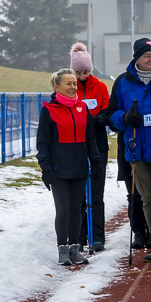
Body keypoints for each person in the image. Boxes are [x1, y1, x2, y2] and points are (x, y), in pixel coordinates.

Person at [109, 37, 151, 266]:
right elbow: (111, 115)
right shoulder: (123, 81)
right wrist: (125, 117)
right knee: (146, 198)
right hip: (136, 149)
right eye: (147, 56)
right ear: (136, 58)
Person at [37, 69, 101, 266]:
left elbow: (91, 139)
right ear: (56, 86)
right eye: (68, 84)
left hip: (79, 168)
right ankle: (62, 249)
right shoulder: (49, 110)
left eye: (74, 84)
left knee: (76, 210)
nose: (73, 87)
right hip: (59, 170)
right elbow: (42, 143)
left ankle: (75, 248)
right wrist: (46, 169)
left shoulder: (83, 108)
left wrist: (95, 161)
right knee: (63, 210)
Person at [70, 42, 111, 252]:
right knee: (79, 195)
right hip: (77, 145)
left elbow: (106, 111)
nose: (82, 76)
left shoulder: (100, 87)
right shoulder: (71, 87)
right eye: (78, 73)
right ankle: (80, 236)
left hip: (98, 145)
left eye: (85, 72)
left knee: (96, 193)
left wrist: (95, 120)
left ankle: (98, 237)